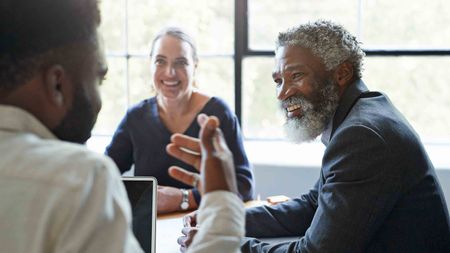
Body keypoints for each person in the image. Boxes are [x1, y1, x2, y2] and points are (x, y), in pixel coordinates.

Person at [173, 20, 450, 252]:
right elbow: (312, 206)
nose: (282, 93)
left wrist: (224, 244)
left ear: (342, 73)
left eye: (296, 76)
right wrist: (224, 219)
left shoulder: (362, 136)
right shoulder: (362, 114)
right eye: (279, 80)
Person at [0, 0, 143, 252]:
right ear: (57, 85)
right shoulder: (82, 180)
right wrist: (220, 203)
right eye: (99, 79)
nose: (99, 100)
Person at [105, 27, 254, 214]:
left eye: (181, 62)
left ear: (195, 66)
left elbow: (244, 186)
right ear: (150, 64)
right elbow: (104, 175)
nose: (170, 73)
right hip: (153, 230)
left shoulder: (218, 114)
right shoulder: (135, 118)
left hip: (201, 227)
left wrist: (185, 199)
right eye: (160, 61)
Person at [167, 113, 245, 253]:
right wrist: (217, 216)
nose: (281, 94)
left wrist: (213, 233)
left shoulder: (221, 112)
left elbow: (244, 184)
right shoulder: (135, 116)